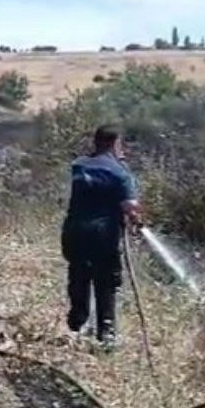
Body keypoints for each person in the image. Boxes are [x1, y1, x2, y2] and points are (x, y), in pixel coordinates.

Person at [63, 126, 144, 344]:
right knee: (105, 282)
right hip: (103, 235)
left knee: (79, 274)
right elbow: (130, 206)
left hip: (74, 232)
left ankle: (77, 320)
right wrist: (136, 221)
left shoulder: (78, 165)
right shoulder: (120, 172)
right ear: (115, 144)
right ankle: (106, 333)